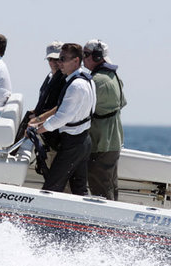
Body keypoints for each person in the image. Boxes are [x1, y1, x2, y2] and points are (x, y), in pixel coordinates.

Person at [28, 43, 96, 195]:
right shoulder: (86, 80)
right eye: (59, 59)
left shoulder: (76, 85)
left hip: (73, 142)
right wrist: (40, 121)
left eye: (63, 59)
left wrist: (37, 129)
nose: (59, 63)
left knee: (51, 187)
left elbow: (61, 118)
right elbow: (65, 110)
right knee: (79, 188)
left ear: (76, 61)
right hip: (83, 140)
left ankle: (41, 218)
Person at [83, 39, 126, 200]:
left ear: (96, 56)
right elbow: (122, 103)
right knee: (110, 186)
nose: (83, 58)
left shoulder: (96, 81)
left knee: (100, 188)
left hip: (101, 144)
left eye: (86, 54)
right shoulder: (114, 76)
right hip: (113, 142)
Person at [15, 41, 66, 164]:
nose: (53, 63)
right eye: (50, 59)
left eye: (56, 59)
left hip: (54, 133)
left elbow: (59, 107)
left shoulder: (65, 79)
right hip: (44, 132)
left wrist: (38, 118)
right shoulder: (50, 77)